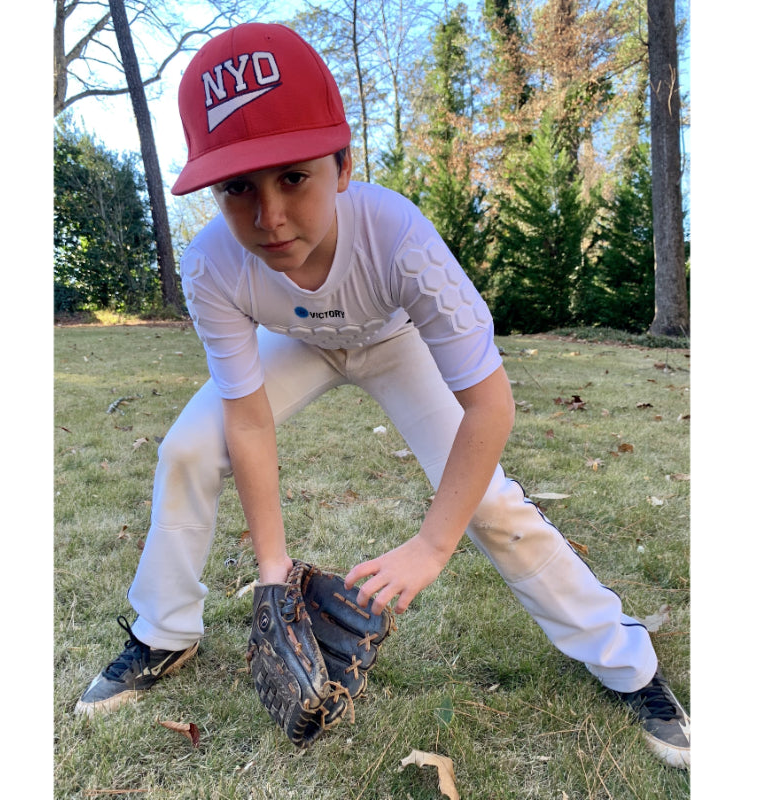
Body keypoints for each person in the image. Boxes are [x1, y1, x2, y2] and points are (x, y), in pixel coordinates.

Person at [74, 22, 690, 769]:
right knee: (186, 450)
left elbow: (490, 407)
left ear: (342, 164)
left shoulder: (397, 237)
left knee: (490, 503)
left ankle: (630, 666)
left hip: (395, 341)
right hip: (296, 343)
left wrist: (433, 546)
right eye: (238, 187)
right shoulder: (213, 267)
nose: (269, 218)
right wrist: (273, 575)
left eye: (293, 177)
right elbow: (248, 417)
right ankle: (164, 632)